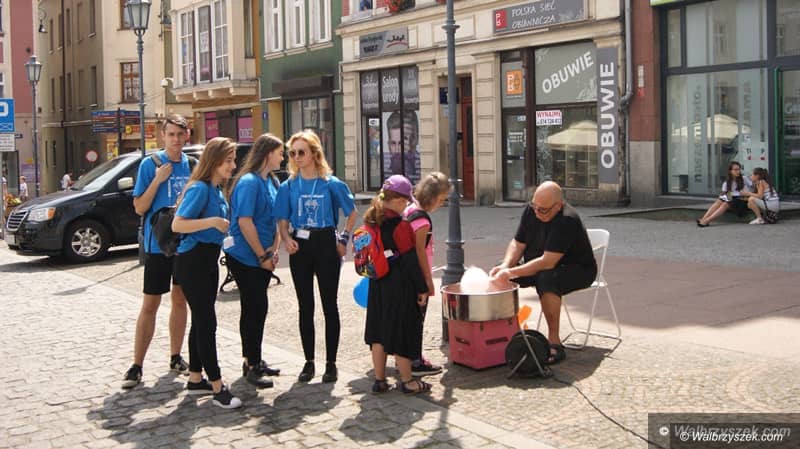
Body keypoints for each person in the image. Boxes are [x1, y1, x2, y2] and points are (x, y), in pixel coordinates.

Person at [275, 130, 358, 383]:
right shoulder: (289, 185)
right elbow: (282, 219)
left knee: (329, 304)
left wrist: (344, 238)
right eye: (292, 153)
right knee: (305, 306)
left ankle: (331, 363)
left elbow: (352, 212)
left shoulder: (331, 183)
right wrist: (286, 239)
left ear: (314, 153)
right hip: (300, 244)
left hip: (325, 242)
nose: (296, 157)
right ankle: (309, 361)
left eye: (301, 152)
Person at [489, 181, 597, 365]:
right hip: (539, 265)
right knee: (499, 271)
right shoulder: (533, 209)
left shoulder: (567, 220)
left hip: (578, 270)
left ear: (558, 206)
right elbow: (518, 243)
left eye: (543, 210)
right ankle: (504, 333)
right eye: (535, 206)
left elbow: (548, 262)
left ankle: (554, 341)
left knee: (547, 279)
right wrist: (506, 266)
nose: (537, 212)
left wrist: (511, 272)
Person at [123, 114, 192, 389]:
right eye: (171, 134)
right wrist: (158, 180)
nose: (176, 139)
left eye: (180, 134)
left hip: (185, 244)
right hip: (158, 245)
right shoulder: (150, 164)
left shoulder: (192, 165)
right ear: (163, 136)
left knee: (180, 300)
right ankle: (136, 365)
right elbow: (139, 207)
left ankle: (175, 356)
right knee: (150, 304)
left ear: (187, 136)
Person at [172, 137, 240, 409]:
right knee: (207, 323)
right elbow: (178, 224)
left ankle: (195, 378)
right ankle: (217, 386)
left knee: (201, 321)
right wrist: (212, 222)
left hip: (208, 260)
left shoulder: (215, 188)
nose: (233, 166)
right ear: (214, 161)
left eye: (233, 160)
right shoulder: (200, 189)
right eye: (228, 161)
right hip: (193, 261)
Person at [224, 134, 284, 389]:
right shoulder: (249, 182)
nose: (282, 157)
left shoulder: (271, 181)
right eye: (280, 152)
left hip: (263, 256)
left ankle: (256, 359)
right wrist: (262, 255)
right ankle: (251, 363)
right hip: (245, 256)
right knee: (253, 307)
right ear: (268, 154)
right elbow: (244, 222)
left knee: (259, 308)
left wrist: (274, 250)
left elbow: (277, 218)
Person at [365, 175, 431, 394]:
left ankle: (380, 380)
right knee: (402, 330)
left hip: (377, 282)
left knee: (378, 331)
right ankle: (408, 381)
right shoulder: (401, 226)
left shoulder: (371, 219)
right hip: (399, 284)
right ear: (399, 200)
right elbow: (411, 260)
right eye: (405, 201)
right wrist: (422, 288)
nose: (406, 206)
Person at [403, 171, 451, 376]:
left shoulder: (410, 209)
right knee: (417, 319)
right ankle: (415, 361)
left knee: (407, 318)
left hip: (406, 274)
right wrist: (428, 282)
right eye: (441, 199)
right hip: (417, 277)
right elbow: (419, 251)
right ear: (432, 197)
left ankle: (405, 357)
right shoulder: (422, 220)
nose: (442, 204)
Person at [696, 161, 752, 227]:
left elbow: (753, 187)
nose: (738, 171)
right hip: (734, 199)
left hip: (743, 200)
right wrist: (724, 196)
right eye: (736, 170)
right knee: (719, 201)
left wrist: (749, 193)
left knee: (725, 204)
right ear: (730, 171)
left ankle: (706, 221)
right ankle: (703, 219)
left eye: (739, 169)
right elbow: (728, 195)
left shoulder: (744, 178)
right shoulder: (727, 183)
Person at [385, 110, 420, 183]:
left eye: (401, 143)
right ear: (389, 144)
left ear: (415, 139)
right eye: (393, 143)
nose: (397, 150)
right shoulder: (387, 174)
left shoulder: (420, 170)